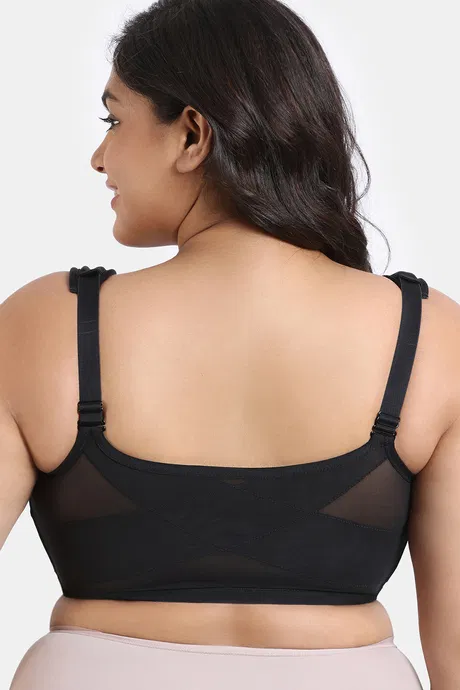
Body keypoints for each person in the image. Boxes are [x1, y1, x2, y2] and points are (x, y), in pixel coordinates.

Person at [2, 0, 458, 688]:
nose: (99, 157)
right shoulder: (430, 336)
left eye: (113, 120)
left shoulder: (47, 324)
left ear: (192, 136)